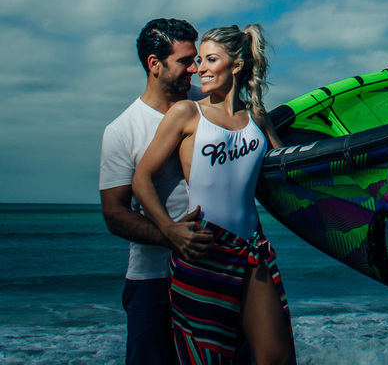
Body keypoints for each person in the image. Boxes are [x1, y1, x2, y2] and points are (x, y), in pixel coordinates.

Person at [133, 24, 295, 365]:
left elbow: (288, 175)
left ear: (236, 65)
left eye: (210, 59)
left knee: (277, 357)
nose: (199, 68)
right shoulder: (187, 113)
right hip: (203, 248)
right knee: (207, 358)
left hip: (252, 248)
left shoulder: (257, 118)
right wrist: (168, 227)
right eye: (198, 60)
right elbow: (142, 178)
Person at [100, 18, 214, 365]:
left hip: (214, 267)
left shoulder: (207, 106)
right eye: (184, 61)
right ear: (154, 64)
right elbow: (115, 213)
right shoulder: (122, 130)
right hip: (153, 279)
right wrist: (171, 234)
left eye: (196, 59)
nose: (195, 69)